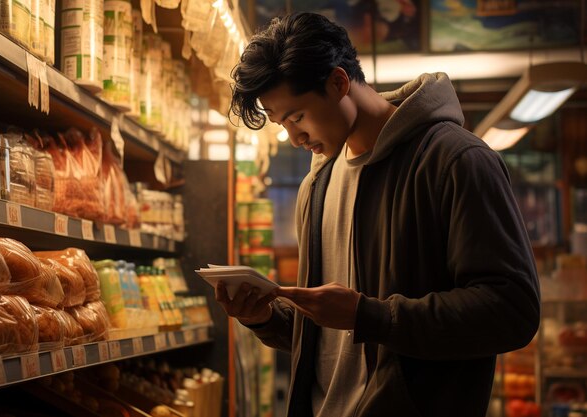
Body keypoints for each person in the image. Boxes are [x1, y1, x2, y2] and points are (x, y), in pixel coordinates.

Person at [216, 12, 541, 417]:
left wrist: (370, 315)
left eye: (297, 117)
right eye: (283, 124)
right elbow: (335, 344)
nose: (294, 137)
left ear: (338, 83)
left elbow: (512, 311)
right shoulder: (315, 187)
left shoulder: (455, 160)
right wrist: (264, 317)